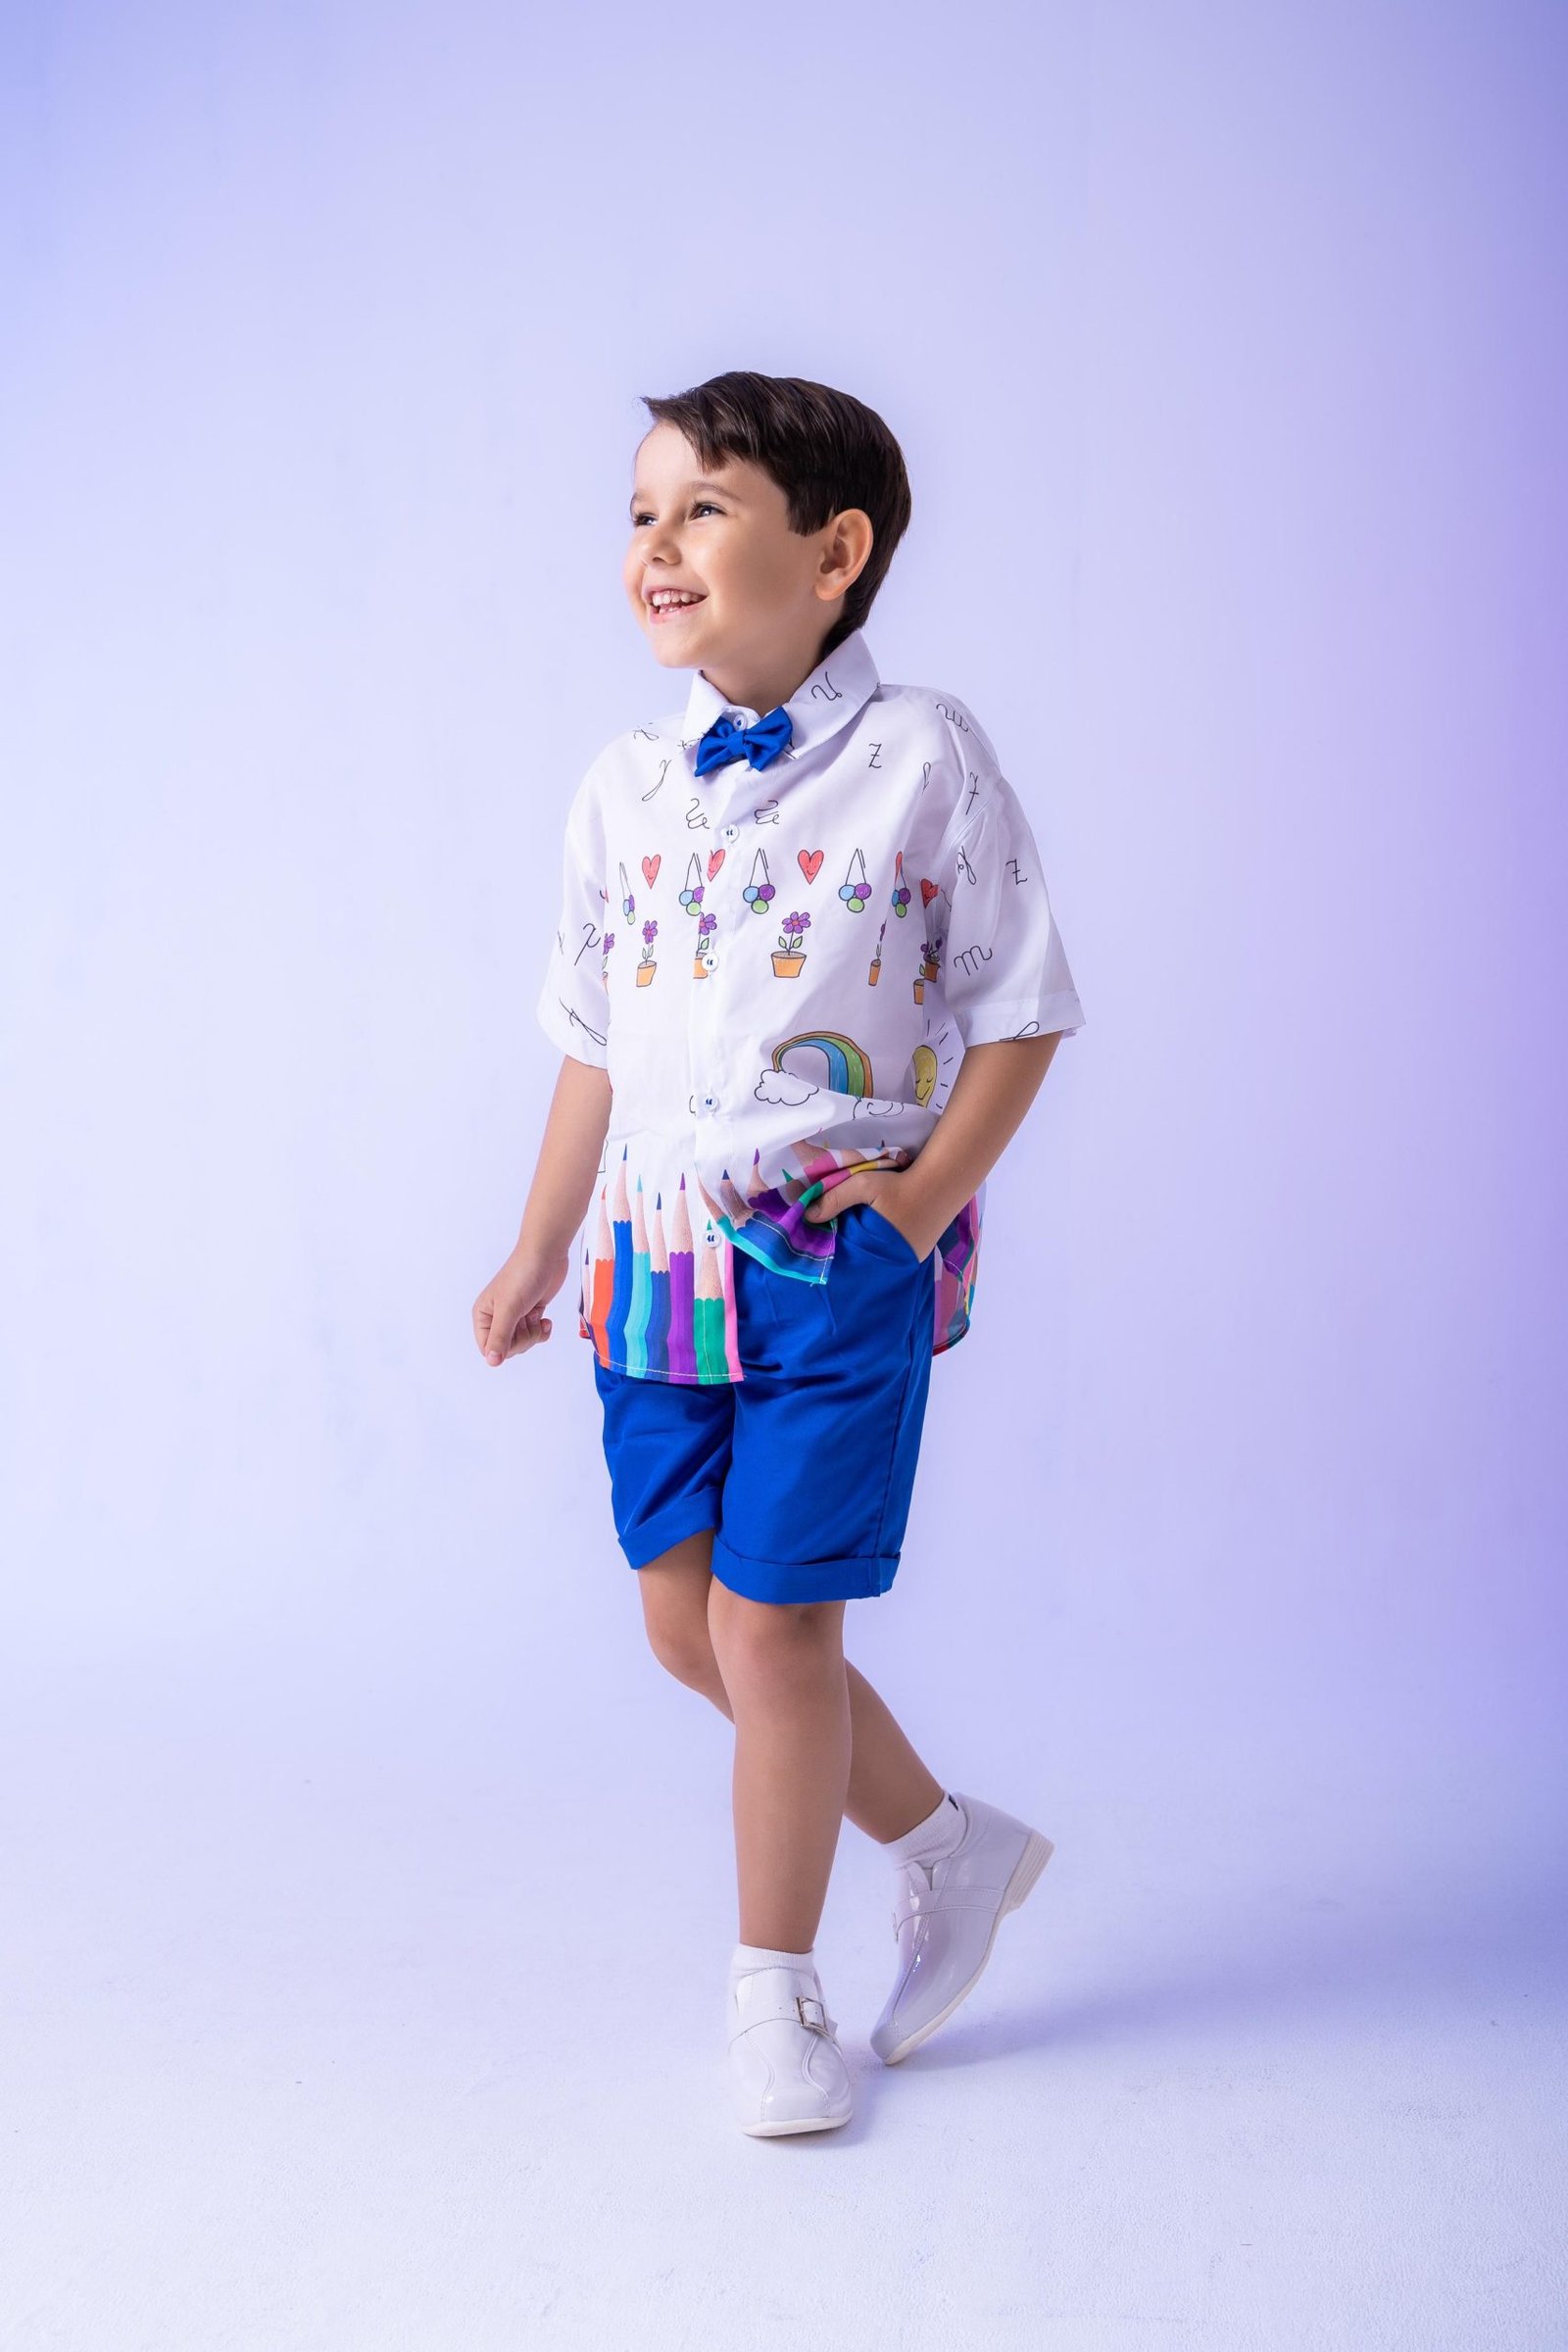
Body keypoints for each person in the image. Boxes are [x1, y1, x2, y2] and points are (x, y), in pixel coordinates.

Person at [472, 370, 1086, 2137]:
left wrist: (919, 1207)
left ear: (834, 555)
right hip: (650, 1268)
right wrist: (536, 1246)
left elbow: (1024, 1010)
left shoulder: (924, 757)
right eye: (640, 511)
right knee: (691, 1627)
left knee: (776, 1623)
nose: (657, 543)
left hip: (830, 1262)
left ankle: (774, 1988)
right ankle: (952, 1847)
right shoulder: (624, 789)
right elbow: (594, 1045)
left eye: (704, 508)